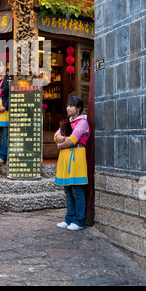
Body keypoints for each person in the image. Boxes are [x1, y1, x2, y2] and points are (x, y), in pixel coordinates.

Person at [54, 96, 90, 231]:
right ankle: (69, 218)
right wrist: (63, 139)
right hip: (65, 157)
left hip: (76, 157)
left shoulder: (82, 122)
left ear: (79, 108)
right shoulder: (65, 121)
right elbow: (56, 136)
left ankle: (79, 220)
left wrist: (60, 144)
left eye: (72, 105)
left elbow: (73, 140)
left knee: (77, 190)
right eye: (68, 105)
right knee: (68, 191)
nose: (68, 108)